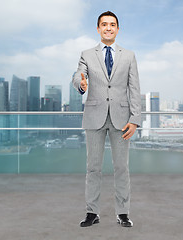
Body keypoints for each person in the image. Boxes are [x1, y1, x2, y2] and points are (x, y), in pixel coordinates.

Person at [72, 11, 141, 228]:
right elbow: (78, 74)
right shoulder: (86, 54)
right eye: (104, 24)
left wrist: (135, 119)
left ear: (117, 29)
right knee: (93, 168)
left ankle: (123, 213)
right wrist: (81, 84)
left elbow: (134, 89)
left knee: (122, 167)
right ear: (98, 29)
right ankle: (92, 213)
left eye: (112, 25)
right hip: (95, 117)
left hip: (122, 119)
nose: (108, 28)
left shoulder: (129, 55)